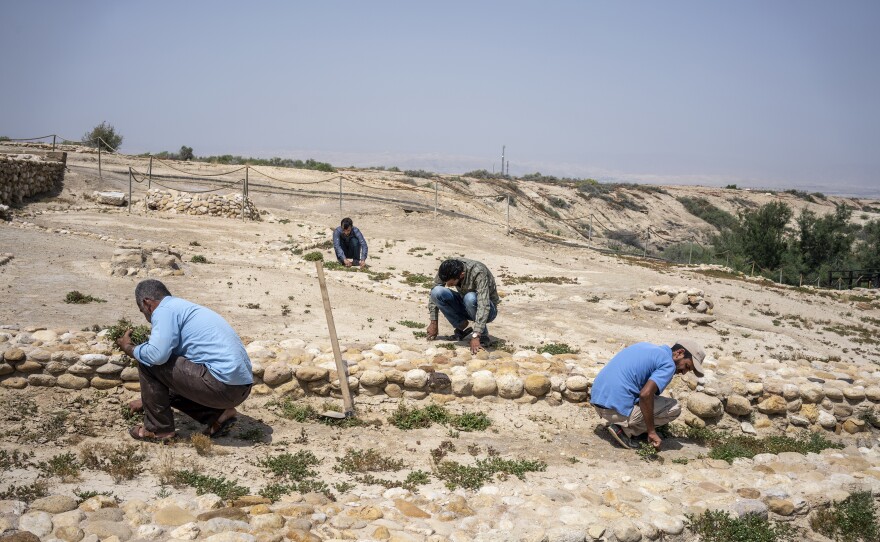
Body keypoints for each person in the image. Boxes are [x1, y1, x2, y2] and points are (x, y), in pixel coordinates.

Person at [116, 279, 253, 442]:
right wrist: (147, 401)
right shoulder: (181, 307)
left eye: (142, 311)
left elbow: (156, 356)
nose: (146, 317)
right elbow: (178, 376)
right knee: (163, 368)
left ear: (147, 303)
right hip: (240, 388)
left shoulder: (163, 310)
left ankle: (159, 430)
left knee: (148, 361)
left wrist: (130, 348)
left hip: (222, 386)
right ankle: (219, 415)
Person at [590, 339, 705, 450]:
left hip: (597, 402)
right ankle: (624, 430)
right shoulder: (669, 364)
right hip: (614, 411)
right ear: (679, 353)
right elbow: (645, 395)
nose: (684, 372)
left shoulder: (645, 347)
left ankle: (621, 422)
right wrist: (651, 431)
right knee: (674, 407)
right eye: (687, 366)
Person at [426, 258, 500, 354]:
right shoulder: (447, 268)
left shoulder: (478, 272)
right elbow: (433, 293)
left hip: (488, 310)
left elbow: (484, 304)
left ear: (462, 275)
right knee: (437, 291)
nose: (448, 285)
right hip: (465, 304)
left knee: (470, 298)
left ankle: (482, 335)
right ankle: (462, 327)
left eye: (451, 283)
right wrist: (433, 322)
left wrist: (476, 336)